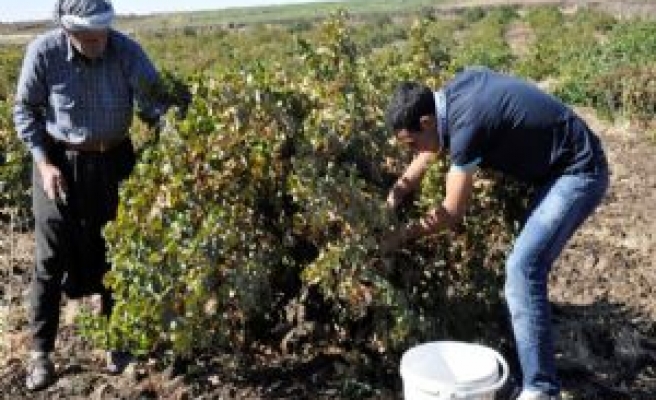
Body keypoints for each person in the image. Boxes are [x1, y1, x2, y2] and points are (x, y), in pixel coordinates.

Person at [383, 67, 609, 400]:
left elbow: (450, 213)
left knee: (523, 268)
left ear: (427, 121)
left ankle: (540, 390)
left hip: (578, 172)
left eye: (412, 142)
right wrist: (396, 195)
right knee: (522, 268)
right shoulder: (451, 95)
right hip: (556, 169)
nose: (413, 151)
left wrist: (399, 237)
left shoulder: (467, 124)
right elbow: (429, 149)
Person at [13, 0, 169, 391]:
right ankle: (40, 353)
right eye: (89, 37)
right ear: (69, 32)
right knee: (50, 255)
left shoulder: (127, 52)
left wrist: (176, 139)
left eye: (102, 34)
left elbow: (157, 107)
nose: (99, 43)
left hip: (116, 159)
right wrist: (45, 165)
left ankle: (117, 342)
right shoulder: (44, 53)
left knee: (117, 251)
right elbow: (25, 112)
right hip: (59, 161)